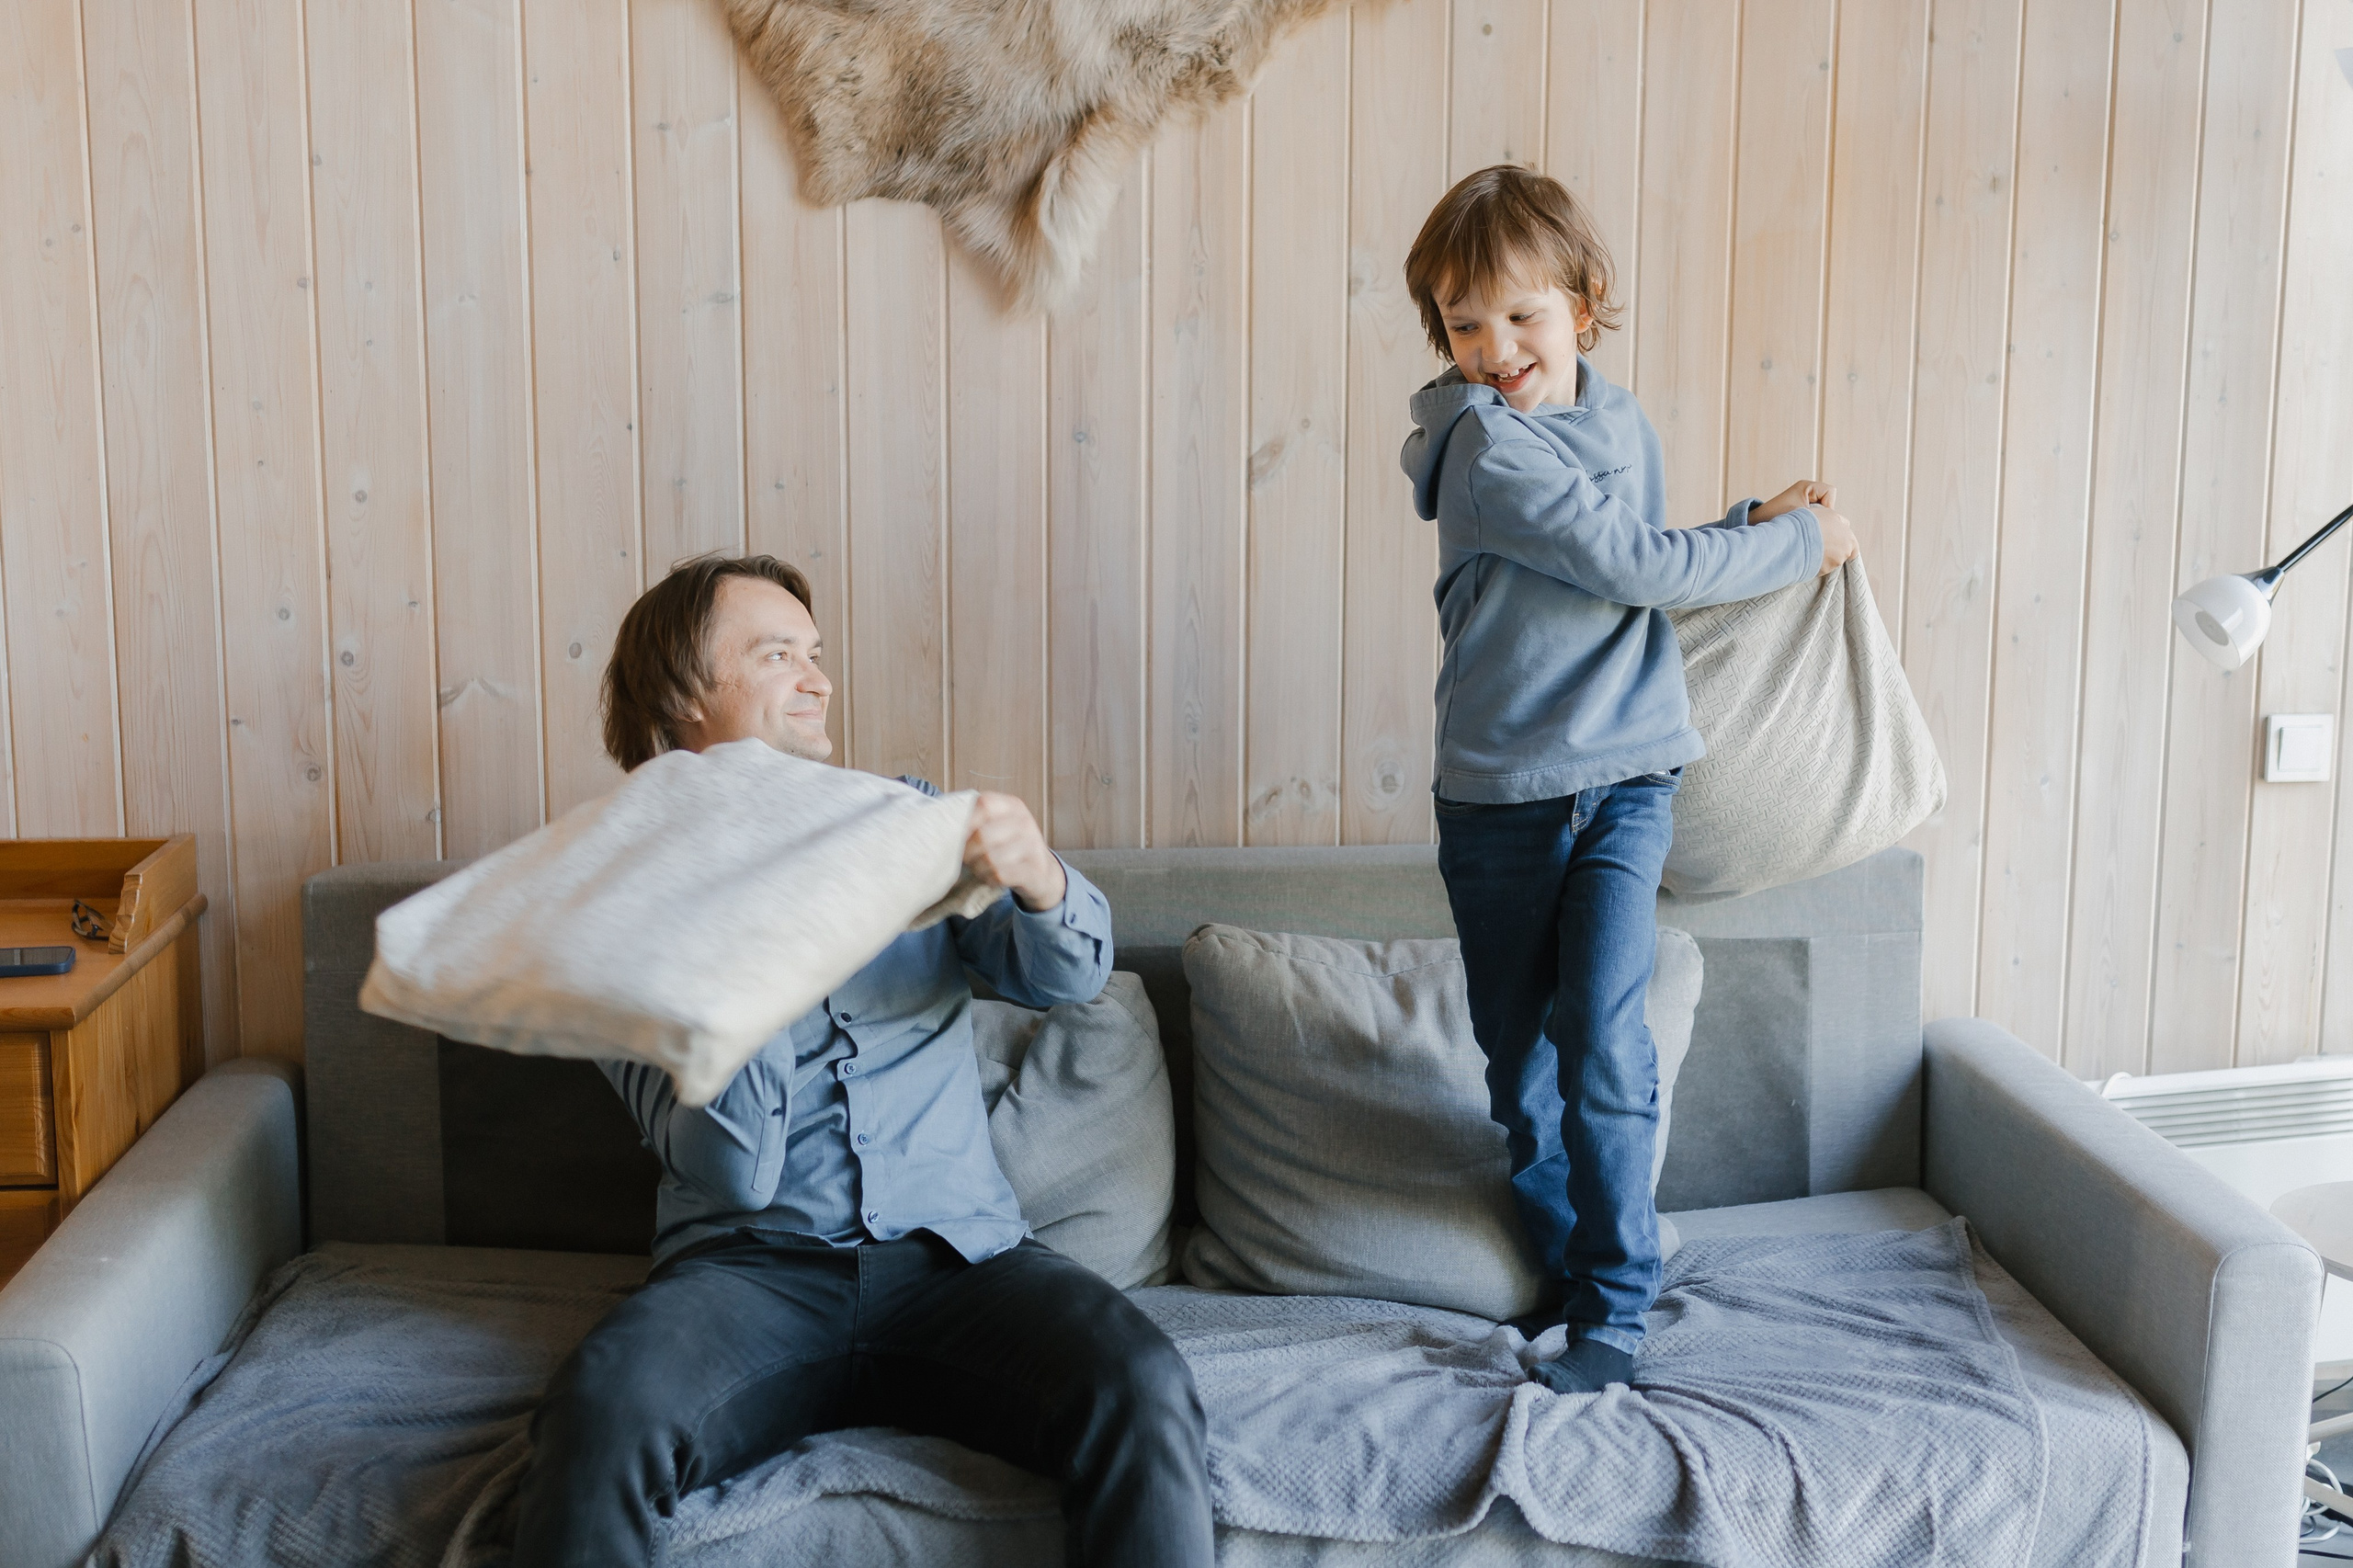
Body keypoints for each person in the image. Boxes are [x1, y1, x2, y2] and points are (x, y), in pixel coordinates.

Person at [510, 553, 1215, 1568]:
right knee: (599, 1416)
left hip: (964, 1264)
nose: (820, 679)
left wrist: (1039, 878)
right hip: (745, 1277)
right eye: (778, 655)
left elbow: (1064, 976)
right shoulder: (611, 906)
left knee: (1143, 1384)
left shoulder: (904, 822)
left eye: (816, 653)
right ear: (683, 693)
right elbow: (729, 1166)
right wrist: (750, 928)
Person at [1397, 165, 1859, 1395]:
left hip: (1629, 782)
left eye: (1522, 315)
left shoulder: (1618, 417)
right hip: (1500, 798)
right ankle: (1570, 1272)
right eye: (1464, 324)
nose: (1496, 349)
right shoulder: (1483, 446)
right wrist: (1793, 541)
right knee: (1523, 1078)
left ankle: (1616, 1302)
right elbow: (1631, 564)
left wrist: (1746, 520)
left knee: (1602, 1040)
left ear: (1583, 303)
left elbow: (1637, 560)